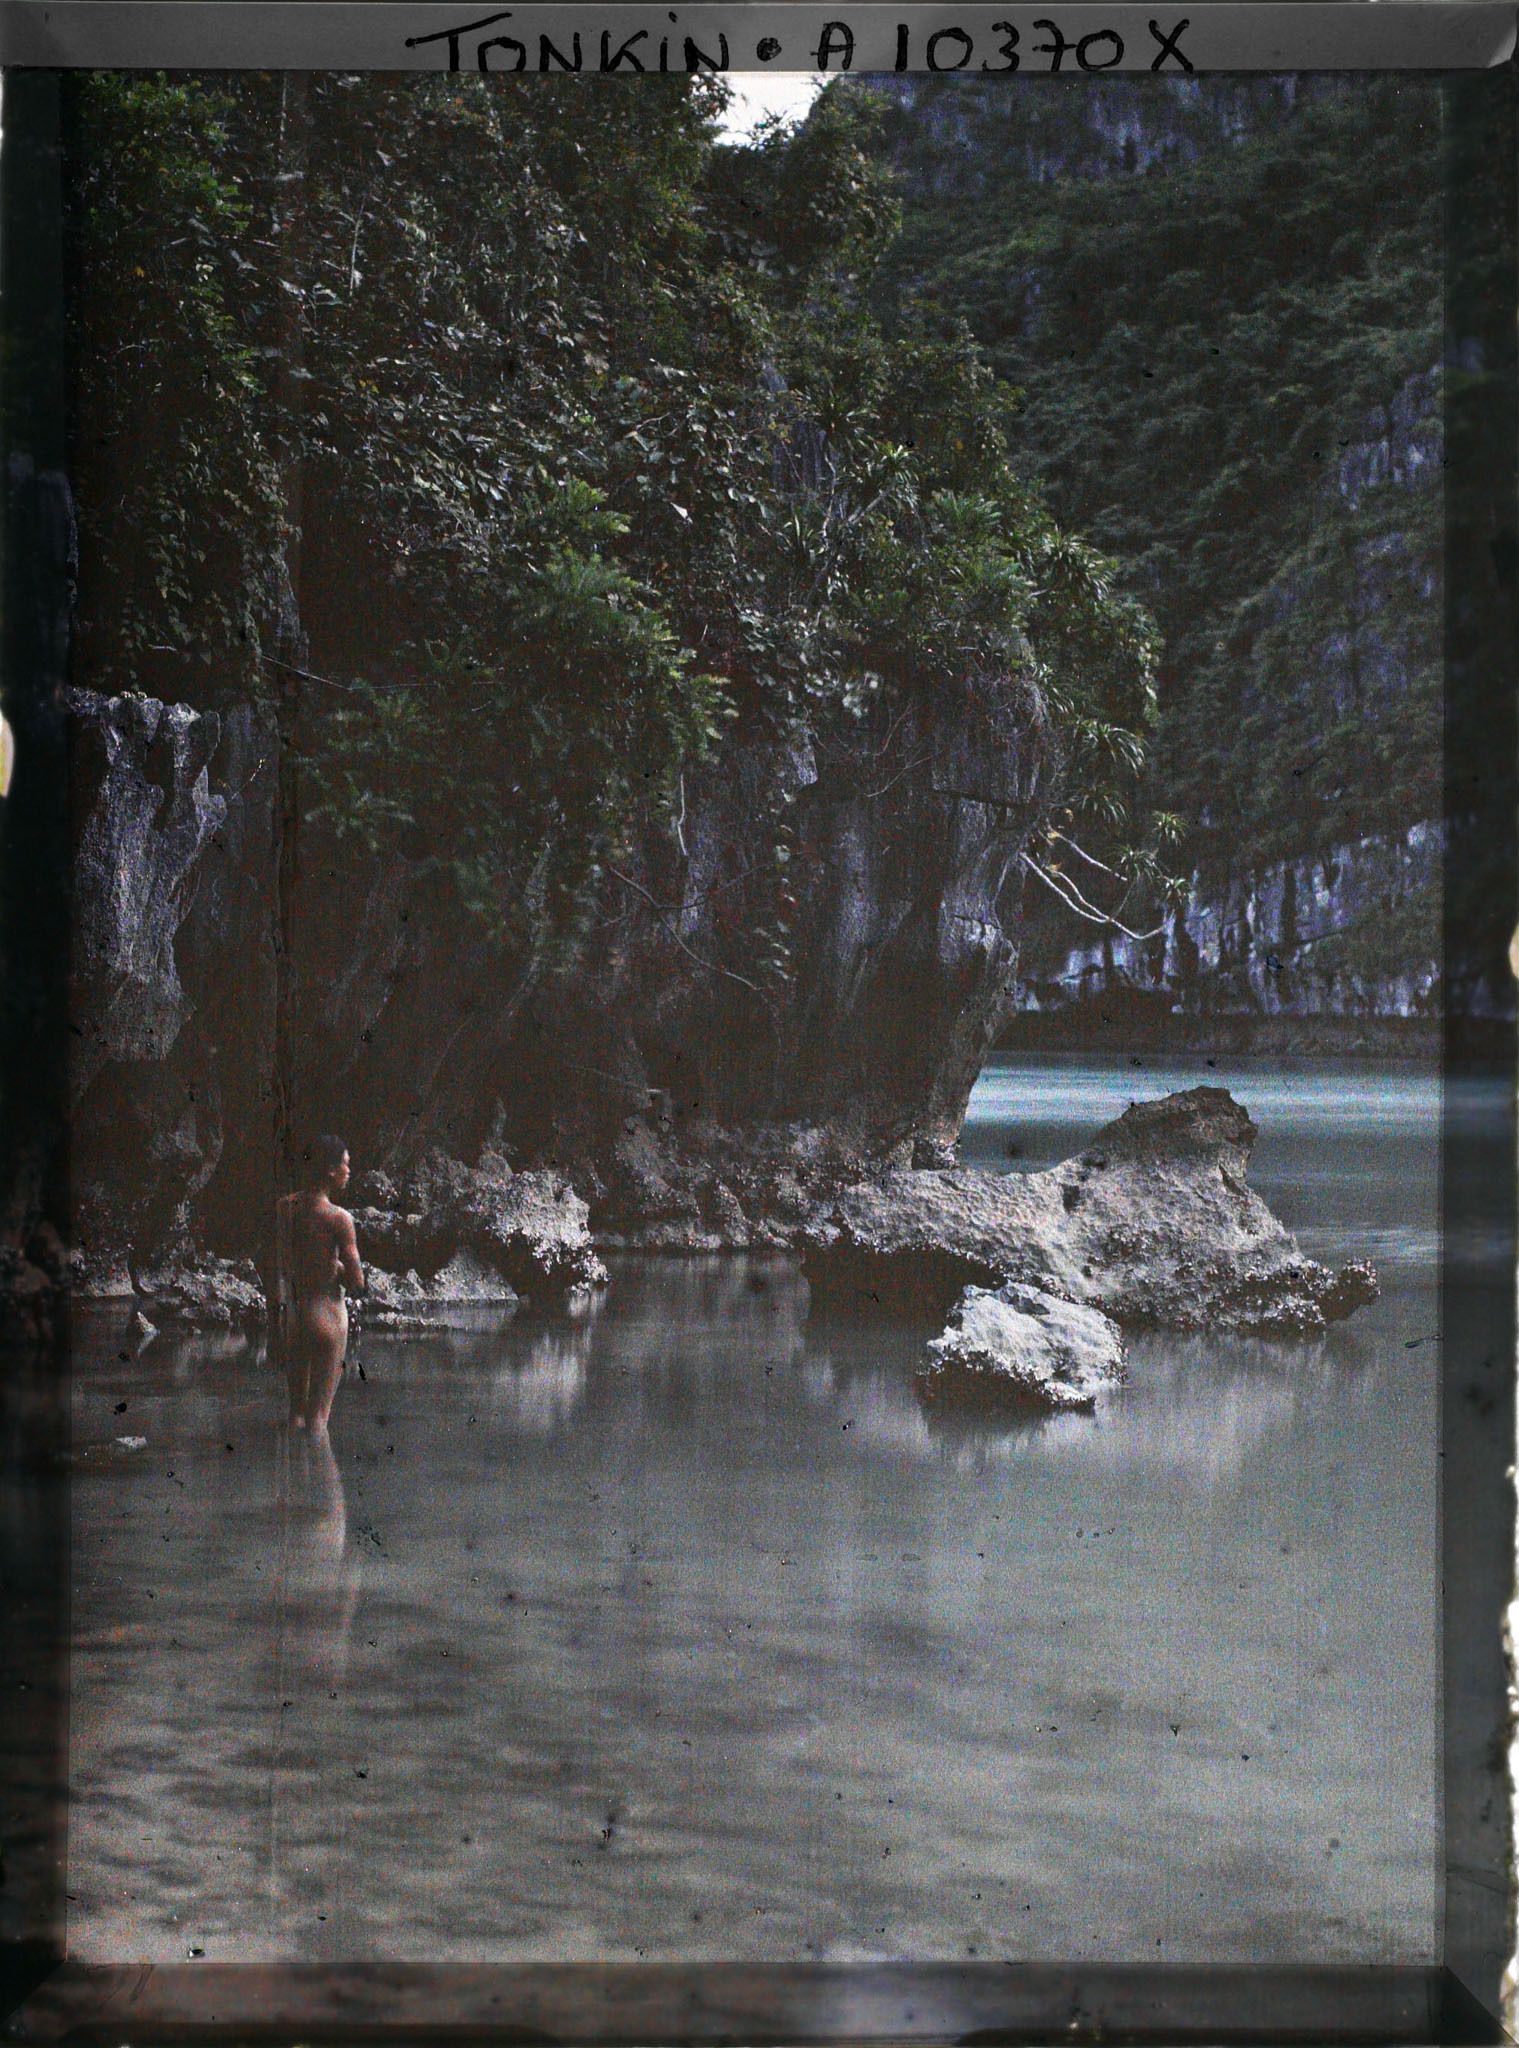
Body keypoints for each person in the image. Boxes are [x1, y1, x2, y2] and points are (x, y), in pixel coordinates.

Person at [273, 1135, 364, 1436]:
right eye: (345, 1165)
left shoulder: (285, 1207)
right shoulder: (339, 1218)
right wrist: (339, 1270)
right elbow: (356, 1280)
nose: (348, 1171)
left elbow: (284, 1260)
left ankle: (298, 1481)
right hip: (327, 1317)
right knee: (318, 1421)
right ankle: (324, 1481)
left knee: (296, 1415)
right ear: (329, 1170)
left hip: (295, 1317)